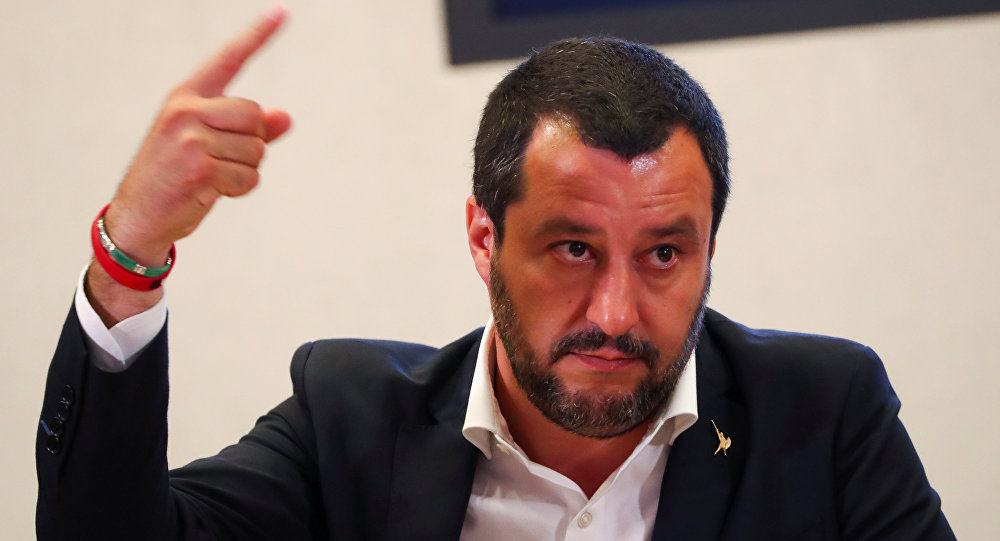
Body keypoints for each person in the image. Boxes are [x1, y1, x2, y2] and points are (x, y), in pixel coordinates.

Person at [36, 6, 954, 540]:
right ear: (484, 238)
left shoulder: (823, 414)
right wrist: (131, 253)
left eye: (664, 254)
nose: (616, 310)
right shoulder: (352, 421)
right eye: (573, 249)